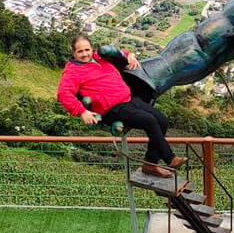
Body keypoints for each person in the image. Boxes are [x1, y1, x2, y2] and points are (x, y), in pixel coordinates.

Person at [57, 34, 186, 177]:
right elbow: (63, 94)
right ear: (74, 53)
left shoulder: (100, 57)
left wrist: (129, 55)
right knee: (149, 121)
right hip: (111, 109)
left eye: (87, 50)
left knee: (162, 120)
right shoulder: (73, 71)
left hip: (128, 99)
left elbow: (120, 53)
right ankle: (170, 158)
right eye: (80, 52)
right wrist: (82, 111)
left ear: (91, 49)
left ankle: (150, 164)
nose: (85, 54)